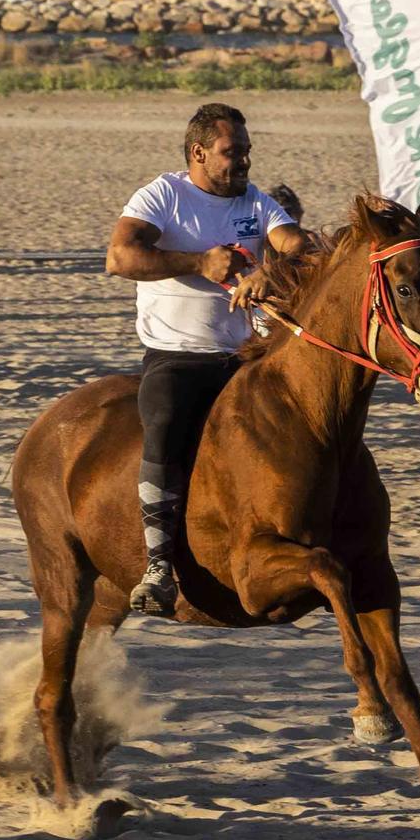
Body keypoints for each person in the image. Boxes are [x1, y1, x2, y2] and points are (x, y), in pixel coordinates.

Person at [105, 101, 309, 617]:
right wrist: (200, 261)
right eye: (231, 152)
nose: (242, 161)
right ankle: (157, 564)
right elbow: (120, 256)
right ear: (198, 152)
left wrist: (273, 266)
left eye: (246, 151)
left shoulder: (256, 201)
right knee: (167, 419)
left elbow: (298, 243)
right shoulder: (164, 195)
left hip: (243, 356)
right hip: (177, 356)